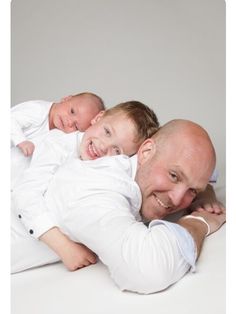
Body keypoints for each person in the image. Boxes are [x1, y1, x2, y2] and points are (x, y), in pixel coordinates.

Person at [11, 119, 225, 294]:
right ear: (146, 151)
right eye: (173, 175)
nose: (178, 200)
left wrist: (203, 192)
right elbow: (148, 270)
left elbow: (194, 165)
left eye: (191, 190)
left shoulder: (128, 156)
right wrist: (199, 222)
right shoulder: (98, 187)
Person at [11, 92, 105, 187]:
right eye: (72, 112)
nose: (69, 121)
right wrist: (21, 141)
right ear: (66, 98)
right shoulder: (38, 109)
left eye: (76, 126)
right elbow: (10, 119)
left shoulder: (57, 134)